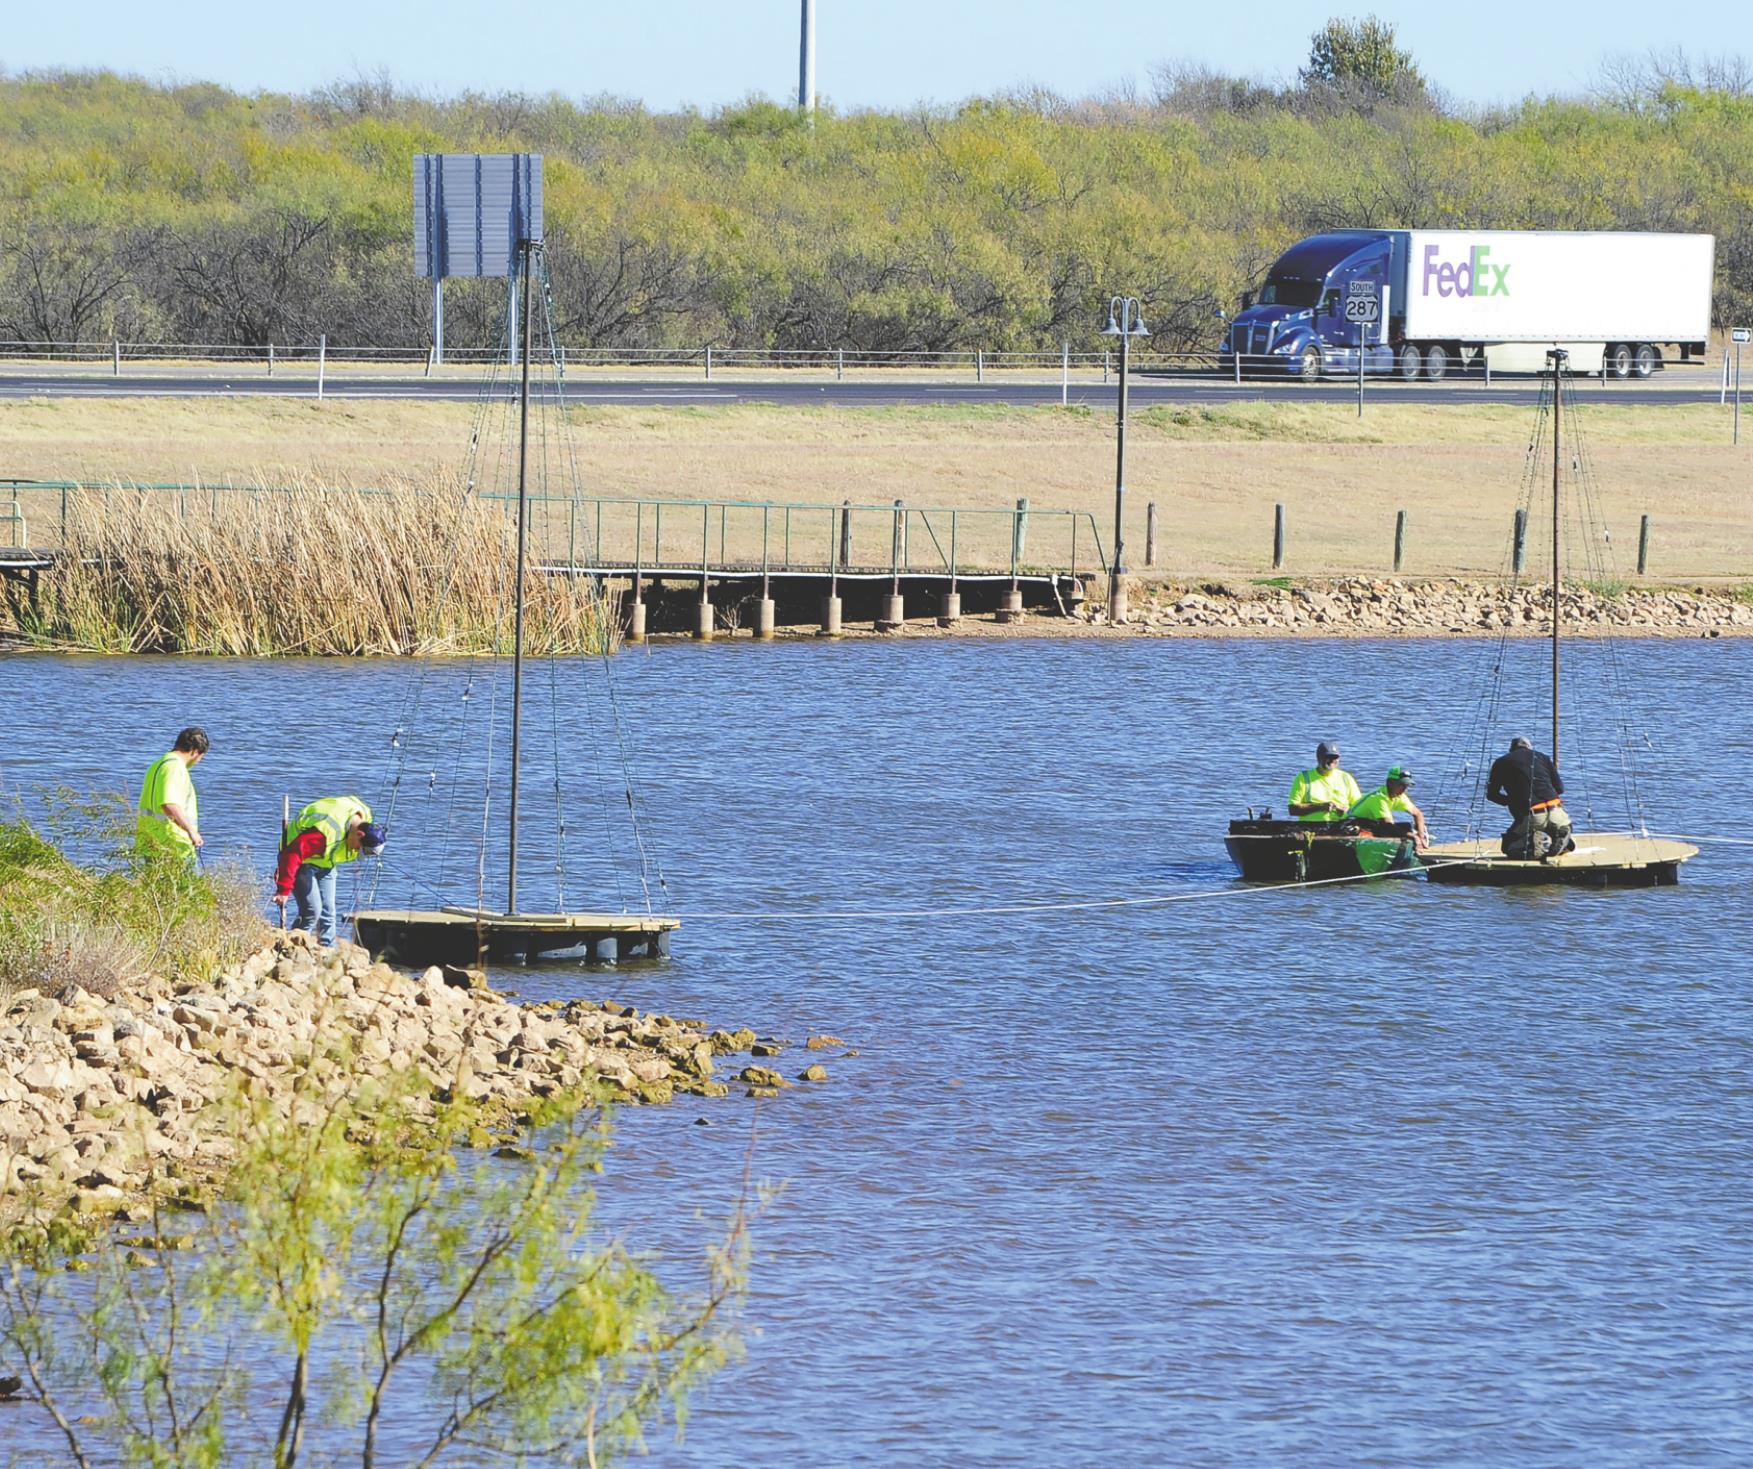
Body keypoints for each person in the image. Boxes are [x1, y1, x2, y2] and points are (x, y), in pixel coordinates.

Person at [272, 796, 387, 947]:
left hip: (326, 861)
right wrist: (283, 889)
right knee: (312, 911)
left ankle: (327, 951)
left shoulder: (364, 815)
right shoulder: (326, 833)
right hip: (300, 862)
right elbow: (292, 855)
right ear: (359, 834)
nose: (355, 851)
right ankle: (293, 946)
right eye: (359, 848)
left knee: (329, 911)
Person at [1486, 735, 1574, 860]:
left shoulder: (1501, 762)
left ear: (1511, 749)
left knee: (1508, 847)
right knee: (1559, 826)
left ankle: (1531, 846)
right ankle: (1562, 838)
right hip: (1558, 812)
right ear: (1529, 747)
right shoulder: (1543, 757)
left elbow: (1491, 795)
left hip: (1532, 816)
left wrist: (1511, 801)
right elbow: (1560, 788)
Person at [136, 726, 209, 864]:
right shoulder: (174, 767)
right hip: (173, 844)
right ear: (195, 751)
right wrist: (191, 831)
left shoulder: (159, 763)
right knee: (187, 885)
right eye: (201, 757)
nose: (198, 762)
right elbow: (168, 804)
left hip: (151, 841)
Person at [1346, 765, 1431, 851]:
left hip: (1371, 824)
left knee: (1407, 827)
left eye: (1407, 785)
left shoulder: (1399, 795)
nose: (1405, 789)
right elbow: (1388, 826)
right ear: (1390, 782)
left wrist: (1421, 836)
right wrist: (1414, 837)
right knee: (1390, 829)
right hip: (1351, 825)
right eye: (1401, 785)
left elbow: (1418, 814)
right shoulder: (1379, 798)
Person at [1288, 741, 1363, 823]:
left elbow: (1360, 808)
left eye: (1335, 757)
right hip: (1311, 828)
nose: (1332, 761)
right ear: (1319, 758)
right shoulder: (1303, 777)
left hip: (1341, 828)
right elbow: (1293, 809)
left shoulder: (1346, 778)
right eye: (1329, 757)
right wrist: (1320, 807)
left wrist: (1346, 810)